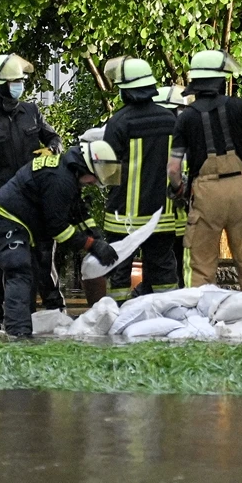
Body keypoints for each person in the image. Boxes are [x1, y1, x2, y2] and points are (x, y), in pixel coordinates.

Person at [0, 140, 121, 337]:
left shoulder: (68, 173)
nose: (93, 183)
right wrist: (91, 245)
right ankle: (18, 334)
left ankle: (24, 327)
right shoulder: (60, 179)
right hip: (3, 220)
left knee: (29, 274)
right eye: (94, 178)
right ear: (87, 167)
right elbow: (58, 229)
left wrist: (97, 238)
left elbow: (78, 212)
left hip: (20, 224)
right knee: (19, 270)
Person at [169, 49, 242, 292]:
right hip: (241, 189)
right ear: (219, 79)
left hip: (206, 192)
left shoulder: (186, 117)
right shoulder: (238, 106)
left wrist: (178, 189)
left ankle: (200, 311)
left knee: (200, 266)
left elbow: (174, 168)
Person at [0, 54, 64, 330]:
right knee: (3, 260)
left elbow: (53, 137)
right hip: (3, 205)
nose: (19, 86)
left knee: (44, 255)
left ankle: (55, 311)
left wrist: (53, 148)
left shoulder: (31, 112)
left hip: (35, 199)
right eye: (14, 82)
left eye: (20, 82)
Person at [101, 56, 178, 300]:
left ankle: (119, 314)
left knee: (119, 273)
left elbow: (108, 171)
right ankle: (168, 313)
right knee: (164, 272)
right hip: (161, 216)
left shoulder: (118, 122)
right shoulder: (170, 119)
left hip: (123, 217)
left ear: (126, 90)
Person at [155, 85, 192, 286]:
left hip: (176, 217)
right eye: (180, 110)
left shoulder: (182, 137)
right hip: (167, 217)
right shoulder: (170, 140)